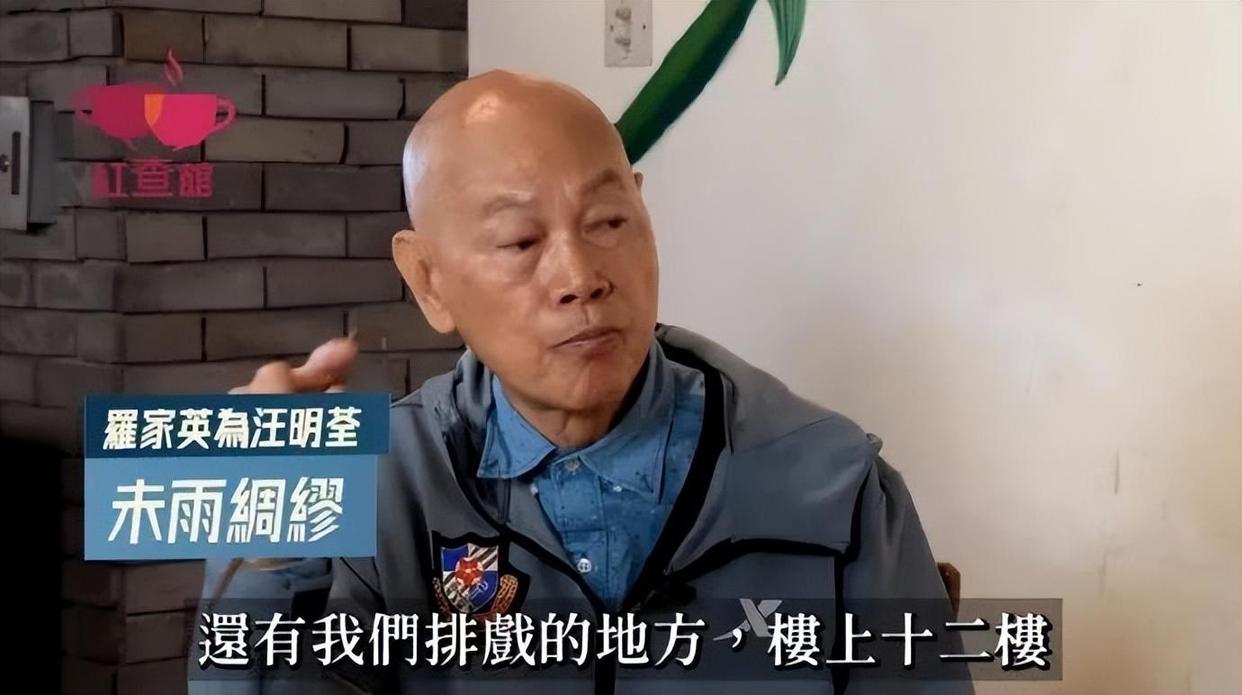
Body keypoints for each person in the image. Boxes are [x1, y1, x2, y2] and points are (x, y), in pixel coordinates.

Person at [207, 70, 968, 694]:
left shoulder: (833, 482)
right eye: (520, 240)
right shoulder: (379, 484)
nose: (580, 276)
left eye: (607, 221)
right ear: (428, 279)